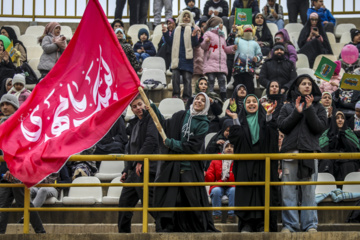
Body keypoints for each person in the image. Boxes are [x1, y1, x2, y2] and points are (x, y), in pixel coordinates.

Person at [150, 92, 218, 232]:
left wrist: (172, 143)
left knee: (193, 201)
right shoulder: (181, 115)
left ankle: (197, 228)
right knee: (172, 198)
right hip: (174, 166)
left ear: (206, 106)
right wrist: (152, 108)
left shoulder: (204, 124)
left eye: (202, 101)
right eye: (197, 99)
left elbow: (192, 147)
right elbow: (164, 125)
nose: (199, 101)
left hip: (190, 167)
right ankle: (169, 226)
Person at [278, 74, 327, 233]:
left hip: (309, 154)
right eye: (303, 84)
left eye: (309, 84)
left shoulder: (319, 107)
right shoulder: (287, 107)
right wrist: (297, 112)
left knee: (309, 193)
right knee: (288, 192)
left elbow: (319, 128)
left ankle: (310, 225)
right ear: (297, 87)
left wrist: (309, 108)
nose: (307, 86)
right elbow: (283, 127)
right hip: (289, 154)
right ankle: (290, 225)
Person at [227, 94, 279, 232]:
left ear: (258, 104)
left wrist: (268, 116)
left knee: (263, 194)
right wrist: (235, 119)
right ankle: (247, 224)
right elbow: (234, 139)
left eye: (254, 101)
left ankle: (263, 224)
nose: (251, 104)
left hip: (263, 165)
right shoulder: (240, 121)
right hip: (245, 166)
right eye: (248, 102)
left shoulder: (265, 120)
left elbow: (272, 136)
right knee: (246, 194)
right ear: (244, 105)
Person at [0, 94, 46, 234]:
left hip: (17, 171)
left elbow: (22, 148)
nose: (4, 107)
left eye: (8, 104)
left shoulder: (20, 124)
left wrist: (14, 168)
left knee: (24, 203)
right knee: (3, 205)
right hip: (6, 173)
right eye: (2, 105)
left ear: (15, 106)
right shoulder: (3, 124)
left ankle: (40, 232)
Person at [118, 95, 159, 233]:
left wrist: (141, 160)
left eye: (140, 104)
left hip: (147, 168)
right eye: (134, 107)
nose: (138, 108)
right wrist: (126, 169)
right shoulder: (134, 123)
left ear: (145, 103)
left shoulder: (152, 119)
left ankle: (166, 229)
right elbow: (130, 148)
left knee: (152, 205)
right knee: (124, 204)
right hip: (133, 171)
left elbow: (151, 140)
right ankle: (123, 234)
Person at [162, 10, 199, 102]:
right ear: (181, 18)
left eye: (188, 16)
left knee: (187, 78)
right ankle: (176, 94)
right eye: (184, 16)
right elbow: (170, 42)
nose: (186, 18)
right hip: (176, 59)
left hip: (187, 60)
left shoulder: (191, 29)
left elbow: (195, 44)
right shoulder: (176, 30)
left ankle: (187, 97)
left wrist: (194, 36)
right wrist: (166, 33)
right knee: (175, 76)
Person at [201, 16, 236, 101]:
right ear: (216, 24)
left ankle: (223, 96)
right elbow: (203, 46)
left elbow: (225, 49)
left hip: (221, 65)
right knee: (211, 80)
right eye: (220, 23)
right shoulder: (208, 33)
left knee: (222, 80)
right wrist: (206, 41)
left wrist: (232, 48)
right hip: (211, 63)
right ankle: (210, 95)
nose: (222, 25)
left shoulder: (222, 36)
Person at [319, 111, 360, 183]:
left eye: (342, 118)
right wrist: (333, 140)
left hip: (347, 160)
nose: (340, 120)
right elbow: (322, 149)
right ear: (333, 120)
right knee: (326, 163)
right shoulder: (327, 133)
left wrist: (344, 138)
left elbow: (354, 150)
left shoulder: (349, 132)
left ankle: (347, 192)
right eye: (337, 118)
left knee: (348, 165)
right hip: (331, 159)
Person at [205, 141, 236, 223]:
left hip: (232, 185)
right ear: (223, 149)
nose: (229, 148)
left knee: (233, 191)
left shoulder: (238, 159)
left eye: (231, 146)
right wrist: (206, 175)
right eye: (227, 147)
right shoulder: (216, 160)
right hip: (219, 184)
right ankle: (216, 216)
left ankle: (231, 216)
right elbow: (210, 177)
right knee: (216, 191)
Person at [232, 24, 262, 94]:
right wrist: (233, 31)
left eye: (250, 30)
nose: (248, 32)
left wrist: (257, 58)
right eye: (246, 30)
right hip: (238, 70)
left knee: (250, 89)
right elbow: (229, 42)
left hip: (249, 71)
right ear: (242, 32)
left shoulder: (255, 43)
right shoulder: (238, 40)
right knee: (237, 88)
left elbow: (260, 55)